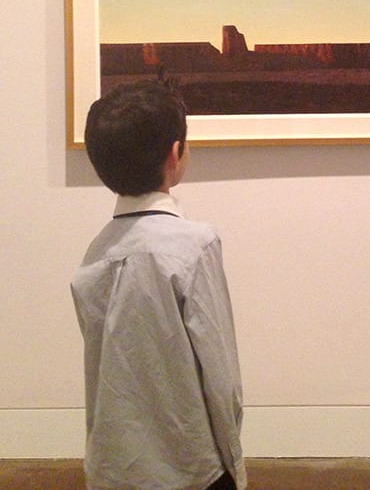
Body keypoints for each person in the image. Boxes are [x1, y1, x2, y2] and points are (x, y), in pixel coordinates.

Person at [71, 79, 246, 490]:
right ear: (175, 153)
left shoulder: (96, 253)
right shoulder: (194, 245)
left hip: (113, 468)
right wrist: (234, 465)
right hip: (192, 469)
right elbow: (221, 376)